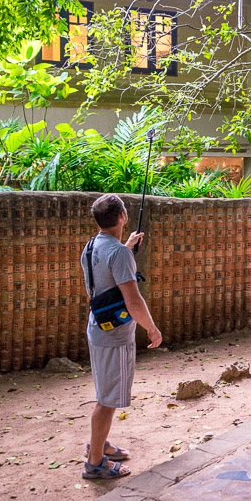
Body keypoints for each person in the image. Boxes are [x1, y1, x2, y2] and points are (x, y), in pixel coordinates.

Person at [80, 193, 162, 480]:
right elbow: (133, 300)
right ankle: (95, 461)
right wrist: (151, 328)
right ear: (122, 217)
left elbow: (104, 278)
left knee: (106, 392)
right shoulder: (119, 254)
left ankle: (100, 445)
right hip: (114, 337)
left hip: (97, 327)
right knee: (108, 399)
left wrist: (125, 248)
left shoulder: (91, 247)